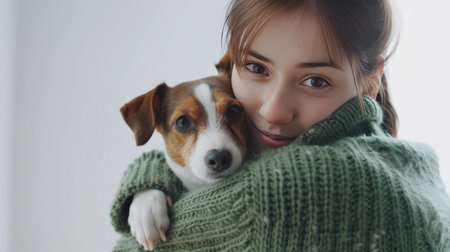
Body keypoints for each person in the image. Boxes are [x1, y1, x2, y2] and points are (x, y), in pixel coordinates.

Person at [111, 0, 450, 251]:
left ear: (370, 80)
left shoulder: (286, 192)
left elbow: (129, 248)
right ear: (232, 68)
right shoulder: (406, 161)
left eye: (316, 81)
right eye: (257, 68)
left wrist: (150, 184)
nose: (273, 112)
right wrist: (151, 184)